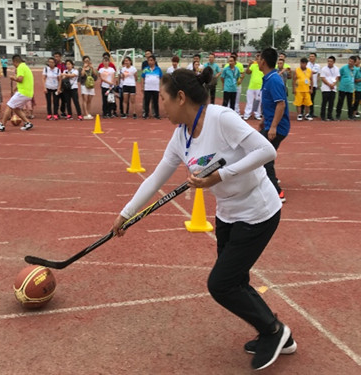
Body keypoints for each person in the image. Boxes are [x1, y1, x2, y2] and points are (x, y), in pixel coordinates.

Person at [111, 66, 295, 371]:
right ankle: (278, 336)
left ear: (181, 98)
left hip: (259, 212)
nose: (161, 106)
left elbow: (265, 151)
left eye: (164, 99)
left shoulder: (220, 118)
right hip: (228, 213)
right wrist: (126, 214)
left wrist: (219, 176)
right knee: (235, 280)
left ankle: (274, 331)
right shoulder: (180, 136)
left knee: (221, 284)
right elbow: (155, 179)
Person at [259, 48, 291, 203]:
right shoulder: (268, 78)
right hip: (270, 123)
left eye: (259, 58)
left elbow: (280, 105)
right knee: (260, 151)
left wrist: (273, 127)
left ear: (263, 61)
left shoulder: (274, 80)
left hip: (278, 127)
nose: (257, 61)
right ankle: (270, 180)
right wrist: (264, 119)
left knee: (264, 157)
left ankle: (277, 192)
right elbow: (270, 104)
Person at [0, 54, 34, 132]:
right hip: (28, 93)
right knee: (16, 108)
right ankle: (27, 122)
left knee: (9, 105)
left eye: (13, 63)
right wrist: (14, 89)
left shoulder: (20, 67)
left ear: (15, 62)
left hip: (23, 92)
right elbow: (23, 82)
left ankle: (2, 124)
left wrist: (13, 78)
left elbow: (20, 79)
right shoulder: (25, 67)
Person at [244, 52, 263, 121]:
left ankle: (257, 114)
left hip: (259, 86)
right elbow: (248, 72)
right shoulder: (253, 65)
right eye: (256, 57)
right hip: (251, 86)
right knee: (249, 101)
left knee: (258, 101)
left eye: (258, 57)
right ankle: (247, 114)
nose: (257, 58)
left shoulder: (263, 66)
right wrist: (249, 65)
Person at [141, 55, 162, 119]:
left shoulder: (158, 69)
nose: (150, 62)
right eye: (149, 60)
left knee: (155, 102)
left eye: (151, 60)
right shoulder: (145, 69)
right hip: (147, 88)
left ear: (154, 61)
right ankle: (146, 114)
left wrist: (161, 87)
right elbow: (142, 78)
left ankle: (156, 114)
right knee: (147, 102)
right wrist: (142, 87)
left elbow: (161, 78)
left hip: (155, 88)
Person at [336, 56, 357, 120]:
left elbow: (355, 78)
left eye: (352, 61)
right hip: (343, 88)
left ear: (354, 62)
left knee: (350, 103)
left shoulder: (356, 69)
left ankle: (350, 115)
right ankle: (338, 115)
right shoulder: (343, 68)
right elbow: (339, 76)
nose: (350, 62)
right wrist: (343, 82)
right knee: (340, 102)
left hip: (350, 89)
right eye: (349, 61)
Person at [292, 57, 313, 121]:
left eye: (304, 63)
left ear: (306, 64)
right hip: (299, 90)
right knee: (298, 103)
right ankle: (299, 114)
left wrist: (311, 88)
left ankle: (307, 114)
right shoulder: (297, 70)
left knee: (307, 103)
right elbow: (294, 80)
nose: (303, 65)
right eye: (302, 63)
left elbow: (311, 80)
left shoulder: (309, 70)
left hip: (306, 90)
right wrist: (294, 89)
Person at [319, 56, 340, 121]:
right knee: (324, 102)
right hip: (326, 88)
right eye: (328, 61)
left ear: (334, 62)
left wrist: (333, 84)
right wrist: (329, 84)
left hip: (333, 88)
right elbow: (323, 78)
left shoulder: (336, 69)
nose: (329, 63)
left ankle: (329, 115)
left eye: (331, 61)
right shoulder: (324, 69)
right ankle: (323, 116)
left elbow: (337, 77)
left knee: (331, 103)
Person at [98, 53, 117, 118]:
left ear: (109, 62)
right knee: (104, 99)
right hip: (104, 86)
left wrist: (111, 84)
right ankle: (104, 112)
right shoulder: (101, 70)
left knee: (110, 100)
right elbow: (102, 78)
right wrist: (109, 82)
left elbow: (113, 76)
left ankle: (110, 112)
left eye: (107, 61)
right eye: (104, 61)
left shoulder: (112, 69)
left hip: (110, 87)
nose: (106, 62)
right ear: (102, 62)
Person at [79, 55, 97, 120]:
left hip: (91, 85)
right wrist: (84, 68)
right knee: (85, 99)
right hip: (84, 85)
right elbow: (82, 75)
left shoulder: (91, 69)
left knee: (89, 100)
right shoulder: (81, 68)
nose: (87, 62)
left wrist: (92, 68)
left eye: (88, 61)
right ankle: (85, 113)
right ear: (83, 61)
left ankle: (88, 112)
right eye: (85, 61)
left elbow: (95, 75)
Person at [53, 52, 67, 117]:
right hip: (55, 83)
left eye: (57, 56)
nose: (56, 58)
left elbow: (66, 72)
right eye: (55, 56)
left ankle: (63, 111)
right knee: (56, 99)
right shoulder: (53, 65)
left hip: (63, 83)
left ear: (60, 57)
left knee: (64, 99)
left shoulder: (63, 65)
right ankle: (56, 112)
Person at [306, 52, 320, 120]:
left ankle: (311, 112)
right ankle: (305, 112)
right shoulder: (307, 65)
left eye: (312, 56)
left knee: (312, 99)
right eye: (310, 56)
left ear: (315, 57)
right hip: (307, 84)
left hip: (314, 84)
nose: (311, 57)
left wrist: (317, 83)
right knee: (306, 98)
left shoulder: (317, 65)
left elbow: (318, 75)